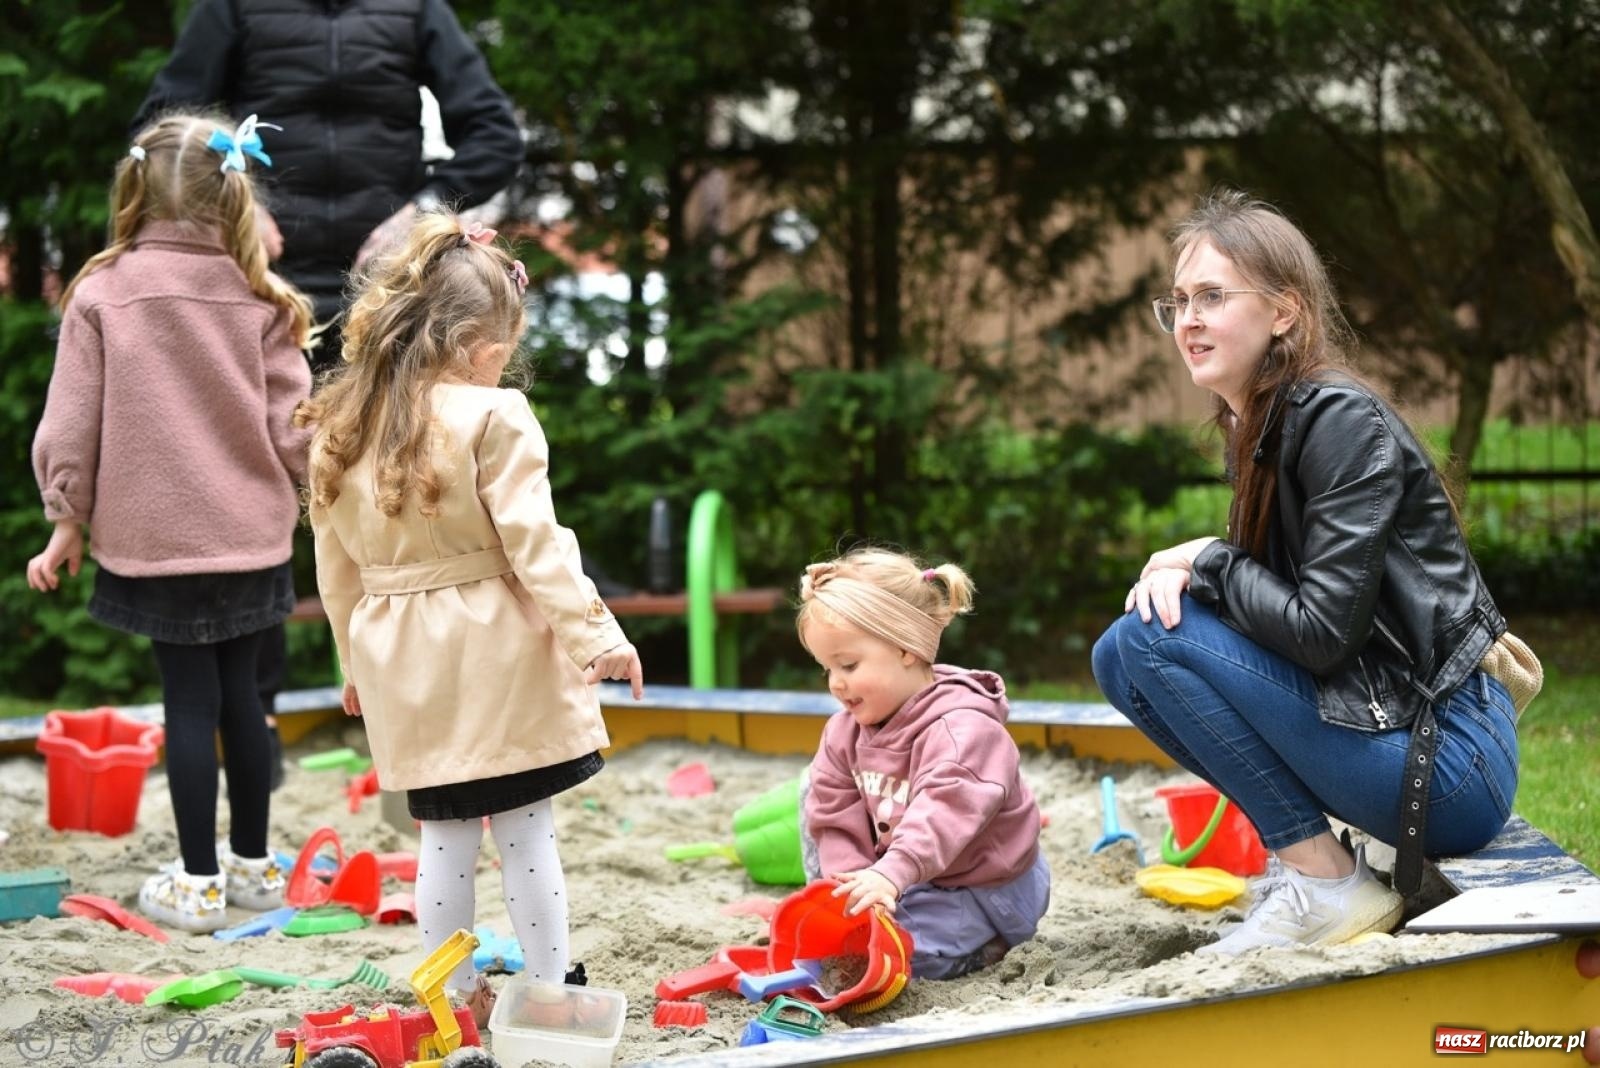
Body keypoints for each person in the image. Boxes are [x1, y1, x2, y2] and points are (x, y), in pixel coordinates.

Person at [1091, 189, 1542, 957]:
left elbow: (1322, 634)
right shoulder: (1265, 427)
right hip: (1394, 735)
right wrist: (1208, 573)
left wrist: (1207, 560)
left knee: (1144, 643)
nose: (1188, 320)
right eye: (1178, 302)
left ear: (1285, 312)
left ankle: (1327, 886)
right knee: (1124, 652)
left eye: (1211, 297)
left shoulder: (1337, 420)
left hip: (1449, 763)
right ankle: (1318, 874)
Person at [298, 212, 645, 1012]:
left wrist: (352, 664)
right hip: (495, 647)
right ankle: (550, 985)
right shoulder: (495, 416)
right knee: (525, 832)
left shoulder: (339, 428)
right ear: (480, 347)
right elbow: (538, 545)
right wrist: (596, 637)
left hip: (400, 658)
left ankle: (450, 995)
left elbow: (335, 570)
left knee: (444, 839)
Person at [27, 110, 313, 933]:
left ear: (136, 187)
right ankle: (255, 868)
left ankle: (197, 883)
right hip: (250, 536)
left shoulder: (104, 293)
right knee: (244, 705)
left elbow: (70, 422)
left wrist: (66, 518)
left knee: (187, 706)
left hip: (159, 544)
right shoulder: (257, 293)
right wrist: (323, 499)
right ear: (233, 195)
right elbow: (293, 425)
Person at [131, 0, 524, 371]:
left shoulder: (416, 7)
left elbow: (496, 138)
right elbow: (160, 134)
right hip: (262, 285)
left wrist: (422, 211)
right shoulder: (233, 5)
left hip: (386, 295)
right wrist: (236, 203)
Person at [795, 548, 1052, 980]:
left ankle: (987, 948)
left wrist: (891, 875)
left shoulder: (962, 730)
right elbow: (834, 815)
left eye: (849, 665)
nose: (836, 683)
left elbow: (942, 815)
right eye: (827, 670)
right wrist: (853, 895)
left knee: (903, 957)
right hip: (910, 875)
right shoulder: (846, 731)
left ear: (906, 650)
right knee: (811, 786)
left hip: (984, 888)